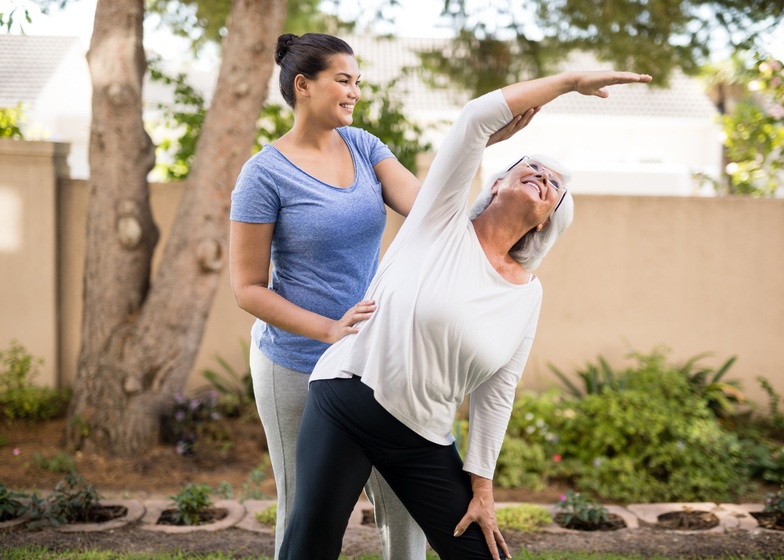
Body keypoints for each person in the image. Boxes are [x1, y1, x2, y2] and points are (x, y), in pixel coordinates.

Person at [278, 68, 653, 560]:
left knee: (482, 555)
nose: (545, 176)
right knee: (310, 544)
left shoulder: (527, 294)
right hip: (350, 397)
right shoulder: (442, 220)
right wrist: (570, 81)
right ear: (496, 184)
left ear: (548, 221)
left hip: (423, 436)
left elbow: (498, 390)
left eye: (556, 184)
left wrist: (483, 488)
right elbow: (475, 119)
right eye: (532, 167)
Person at [228, 32, 533, 559]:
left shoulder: (365, 148)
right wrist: (327, 328)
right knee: (306, 513)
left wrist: (480, 142)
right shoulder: (263, 175)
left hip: (374, 365)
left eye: (358, 82)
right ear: (303, 85)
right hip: (294, 362)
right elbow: (247, 289)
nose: (354, 92)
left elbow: (430, 206)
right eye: (343, 81)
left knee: (405, 516)